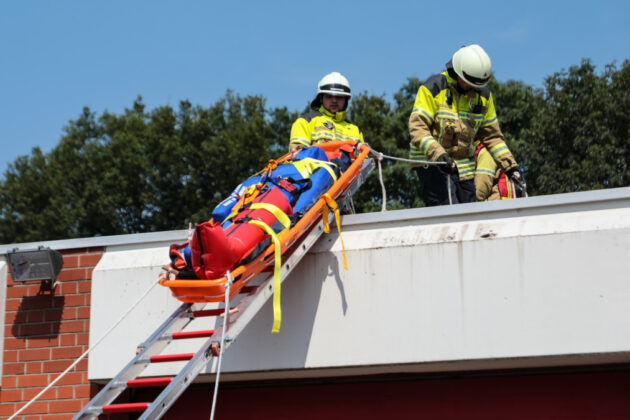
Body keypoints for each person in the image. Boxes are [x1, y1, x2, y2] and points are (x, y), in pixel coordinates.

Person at [408, 44, 521, 206]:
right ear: (457, 72)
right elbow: (417, 129)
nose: (472, 87)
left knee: (469, 211)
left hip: (464, 166)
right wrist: (438, 154)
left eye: (477, 84)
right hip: (432, 162)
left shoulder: (483, 97)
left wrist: (510, 166)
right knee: (449, 208)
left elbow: (493, 137)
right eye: (469, 82)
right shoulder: (432, 88)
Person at [289, 72, 364, 151]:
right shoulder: (305, 122)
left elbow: (363, 160)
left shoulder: (355, 130)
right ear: (321, 98)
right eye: (329, 96)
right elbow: (297, 155)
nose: (334, 100)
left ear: (346, 100)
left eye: (339, 97)